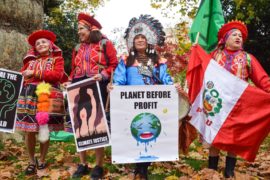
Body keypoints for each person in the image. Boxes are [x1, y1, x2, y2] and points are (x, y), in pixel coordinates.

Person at [109, 14, 176, 179]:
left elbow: (165, 80)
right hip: (131, 103)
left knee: (150, 130)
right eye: (136, 38)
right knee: (134, 131)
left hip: (154, 103)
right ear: (132, 41)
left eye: (143, 37)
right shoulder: (125, 60)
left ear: (148, 41)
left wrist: (173, 87)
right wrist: (114, 87)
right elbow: (119, 80)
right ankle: (139, 166)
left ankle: (143, 167)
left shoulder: (158, 61)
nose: (140, 40)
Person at [208, 20, 270, 178]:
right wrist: (195, 52)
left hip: (237, 104)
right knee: (214, 136)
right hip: (216, 103)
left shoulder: (247, 58)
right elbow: (201, 68)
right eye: (234, 34)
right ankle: (211, 169)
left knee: (234, 137)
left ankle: (229, 171)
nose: (238, 37)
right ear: (225, 39)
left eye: (240, 36)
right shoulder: (214, 56)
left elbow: (263, 80)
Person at [64, 13, 118, 179]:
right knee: (80, 125)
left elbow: (114, 64)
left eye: (81, 29)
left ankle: (99, 166)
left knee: (96, 124)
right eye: (78, 29)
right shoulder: (77, 48)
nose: (78, 32)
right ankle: (83, 164)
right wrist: (69, 80)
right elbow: (74, 69)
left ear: (90, 29)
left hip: (97, 85)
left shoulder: (104, 43)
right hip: (78, 87)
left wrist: (102, 75)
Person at [16, 30, 65, 175]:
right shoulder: (29, 62)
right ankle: (31, 161)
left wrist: (35, 74)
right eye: (38, 43)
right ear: (35, 48)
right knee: (29, 131)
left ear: (50, 45)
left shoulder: (58, 60)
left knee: (44, 129)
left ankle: (42, 160)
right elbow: (21, 77)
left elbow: (57, 75)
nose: (41, 44)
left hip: (47, 95)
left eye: (43, 42)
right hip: (29, 96)